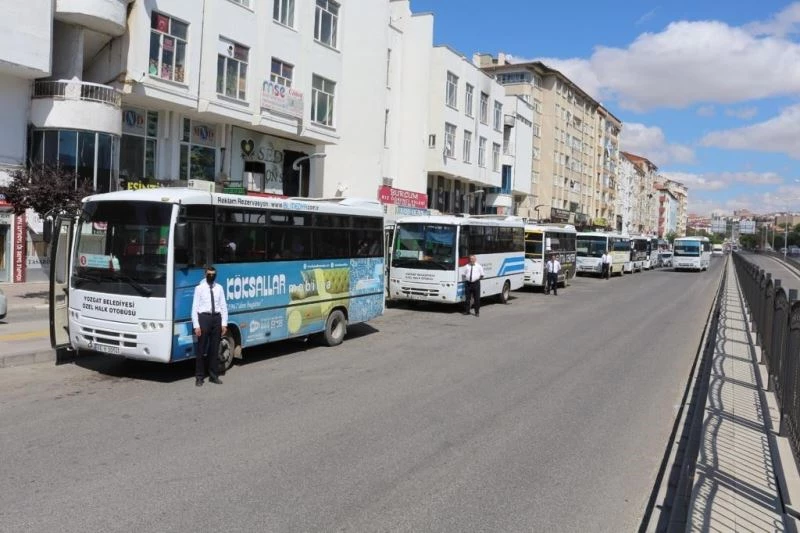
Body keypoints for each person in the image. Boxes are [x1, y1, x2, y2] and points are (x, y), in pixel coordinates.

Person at [191, 266, 228, 386]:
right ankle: (199, 377)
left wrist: (224, 324)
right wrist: (196, 325)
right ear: (205, 275)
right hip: (204, 318)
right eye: (209, 274)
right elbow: (194, 308)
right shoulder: (199, 289)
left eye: (213, 274)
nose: (211, 276)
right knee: (201, 349)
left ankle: (213, 375)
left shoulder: (219, 288)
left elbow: (223, 306)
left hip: (216, 318)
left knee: (214, 349)